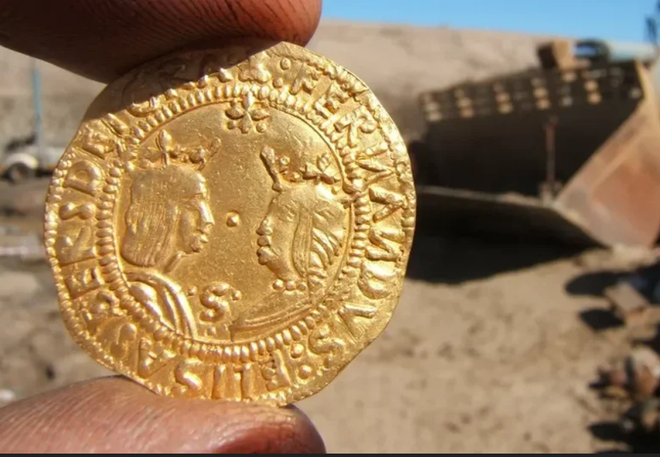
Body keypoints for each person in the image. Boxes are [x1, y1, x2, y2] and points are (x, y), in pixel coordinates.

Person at [0, 0, 326, 453]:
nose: (210, 218)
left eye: (279, 216)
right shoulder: (148, 298)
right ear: (164, 214)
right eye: (196, 204)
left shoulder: (163, 301)